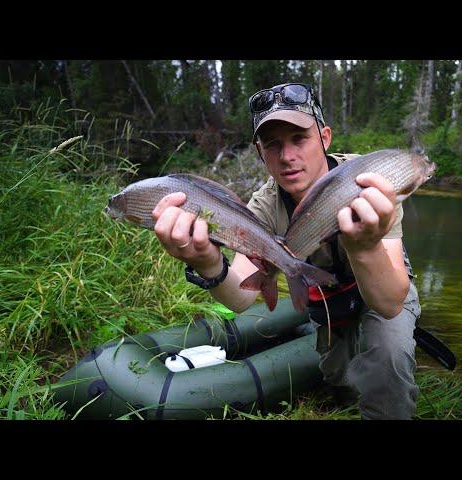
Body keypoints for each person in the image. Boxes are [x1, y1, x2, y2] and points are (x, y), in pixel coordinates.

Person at [151, 82, 421, 420]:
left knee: (388, 360)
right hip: (327, 295)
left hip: (383, 283)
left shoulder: (370, 182)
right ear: (260, 152)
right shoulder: (263, 207)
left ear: (324, 137)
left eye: (299, 139)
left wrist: (365, 248)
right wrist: (207, 262)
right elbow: (241, 297)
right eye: (273, 145)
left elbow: (390, 302)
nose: (287, 156)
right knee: (342, 382)